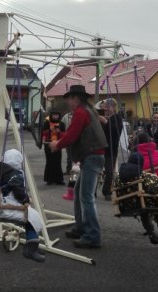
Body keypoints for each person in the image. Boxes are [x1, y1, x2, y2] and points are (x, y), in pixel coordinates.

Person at [49, 85, 107, 249]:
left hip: (92, 156)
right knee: (79, 193)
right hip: (93, 155)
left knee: (86, 197)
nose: (67, 101)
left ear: (76, 98)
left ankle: (92, 235)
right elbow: (73, 133)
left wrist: (57, 144)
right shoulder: (86, 110)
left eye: (69, 98)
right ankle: (81, 227)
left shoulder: (81, 113)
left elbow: (73, 135)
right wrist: (60, 139)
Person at [0, 149, 45, 262]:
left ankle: (33, 246)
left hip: (3, 206)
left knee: (32, 217)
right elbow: (19, 192)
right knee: (33, 218)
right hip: (11, 208)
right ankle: (30, 250)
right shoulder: (15, 175)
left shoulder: (1, 173)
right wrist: (26, 199)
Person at [118, 152, 158, 244]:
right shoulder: (144, 175)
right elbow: (155, 186)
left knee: (142, 207)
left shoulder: (120, 176)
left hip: (127, 204)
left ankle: (151, 233)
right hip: (145, 202)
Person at [97, 98, 123, 201]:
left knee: (109, 172)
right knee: (95, 171)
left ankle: (107, 191)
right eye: (105, 107)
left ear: (114, 108)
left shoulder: (117, 118)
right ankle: (92, 191)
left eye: (109, 107)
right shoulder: (102, 117)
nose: (107, 109)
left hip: (111, 150)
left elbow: (115, 131)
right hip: (99, 148)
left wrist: (105, 122)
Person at [41, 110, 65, 185]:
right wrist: (49, 130)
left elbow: (65, 134)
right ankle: (49, 179)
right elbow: (42, 133)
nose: (55, 117)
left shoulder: (61, 124)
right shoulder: (47, 123)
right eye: (54, 115)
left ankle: (58, 179)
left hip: (58, 144)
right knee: (50, 161)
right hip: (48, 144)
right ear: (51, 116)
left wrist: (59, 131)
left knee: (57, 162)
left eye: (57, 115)